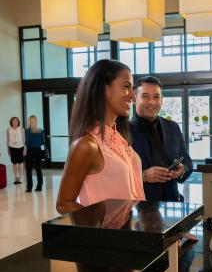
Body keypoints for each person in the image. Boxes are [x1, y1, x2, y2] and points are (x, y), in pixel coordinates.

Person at [56, 59, 145, 215]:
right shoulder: (87, 144)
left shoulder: (120, 138)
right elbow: (64, 204)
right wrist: (105, 226)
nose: (132, 95)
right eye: (126, 87)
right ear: (103, 89)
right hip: (111, 237)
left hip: (133, 234)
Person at [129, 76, 193, 202]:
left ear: (162, 100)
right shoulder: (123, 131)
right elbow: (114, 176)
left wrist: (182, 169)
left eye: (156, 97)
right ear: (134, 99)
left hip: (173, 202)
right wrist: (143, 176)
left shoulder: (173, 127)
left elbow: (188, 162)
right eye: (145, 96)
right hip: (141, 208)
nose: (152, 102)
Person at [25, 115, 45, 192]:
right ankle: (39, 186)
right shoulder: (40, 130)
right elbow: (43, 142)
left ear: (29, 121)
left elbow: (28, 142)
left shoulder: (27, 131)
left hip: (30, 150)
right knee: (38, 169)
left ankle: (29, 188)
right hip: (38, 150)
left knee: (28, 169)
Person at [6, 117, 25, 184]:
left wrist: (25, 149)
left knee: (20, 163)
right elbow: (8, 140)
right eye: (13, 121)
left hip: (20, 147)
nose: (15, 122)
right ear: (11, 122)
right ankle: (15, 177)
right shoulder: (8, 129)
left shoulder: (21, 129)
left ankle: (19, 177)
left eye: (16, 121)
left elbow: (23, 139)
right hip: (12, 147)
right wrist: (8, 149)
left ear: (18, 122)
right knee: (14, 163)